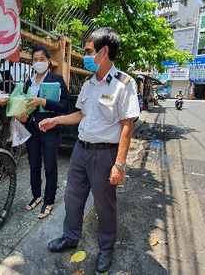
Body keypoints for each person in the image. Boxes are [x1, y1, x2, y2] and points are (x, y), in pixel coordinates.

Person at [39, 27, 140, 273]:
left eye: (88, 51)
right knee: (73, 198)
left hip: (105, 154)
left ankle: (106, 248)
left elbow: (127, 126)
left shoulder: (124, 84)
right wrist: (56, 120)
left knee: (105, 205)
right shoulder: (88, 84)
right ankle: (70, 237)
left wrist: (120, 164)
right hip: (80, 151)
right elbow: (81, 114)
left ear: (104, 52)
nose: (84, 56)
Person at [18, 45, 70, 219]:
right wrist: (21, 115)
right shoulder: (27, 83)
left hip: (50, 129)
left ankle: (49, 201)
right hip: (31, 129)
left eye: (42, 59)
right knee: (33, 165)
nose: (38, 63)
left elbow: (65, 106)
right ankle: (36, 196)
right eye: (35, 60)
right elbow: (22, 105)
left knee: (50, 167)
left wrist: (43, 102)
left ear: (48, 62)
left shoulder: (57, 80)